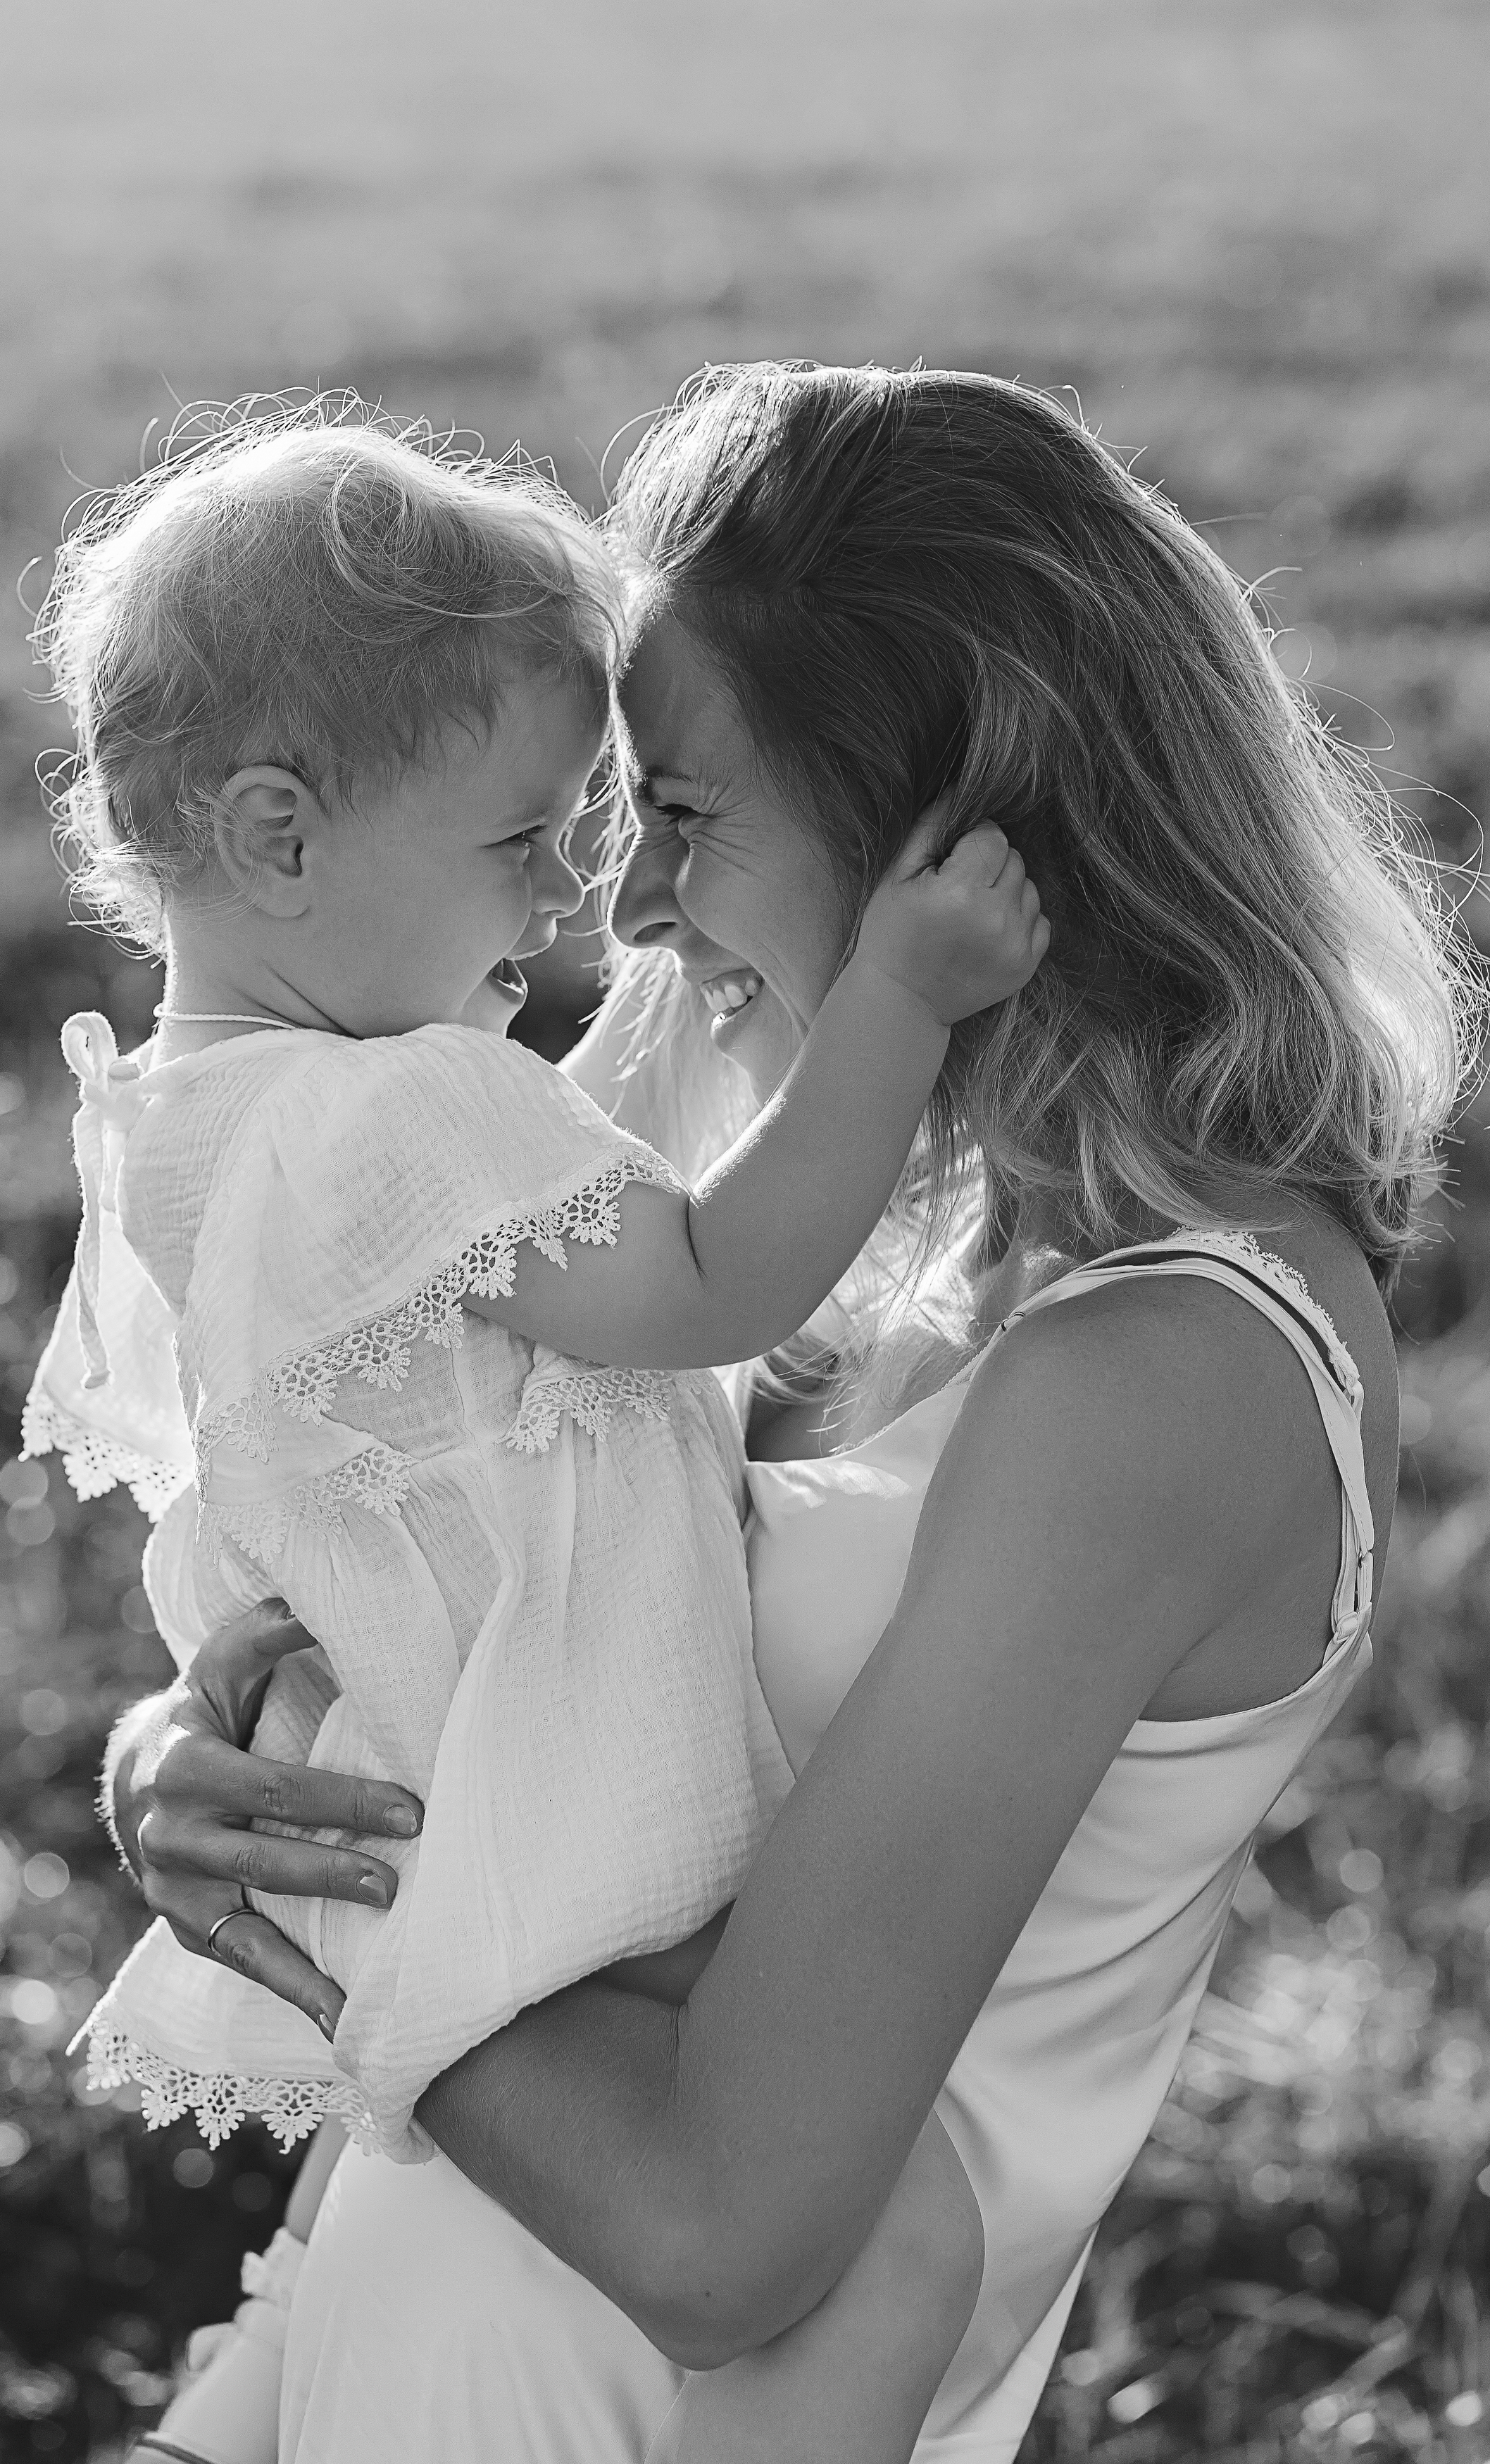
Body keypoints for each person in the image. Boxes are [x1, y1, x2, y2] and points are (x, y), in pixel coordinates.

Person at [106, 363, 1476, 2464]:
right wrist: (206, 1762)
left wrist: (302, 1897)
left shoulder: (1165, 1376)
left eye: (674, 814)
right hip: (429, 2313)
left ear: (957, 828)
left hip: (625, 2381)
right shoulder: (891, 1228)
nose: (627, 917)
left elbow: (720, 2227)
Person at [20, 398, 1046, 2464]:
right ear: (283, 837)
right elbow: (702, 1282)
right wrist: (898, 1003)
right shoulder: (403, 1111)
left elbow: (576, 1158)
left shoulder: (191, 1109)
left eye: (615, 822)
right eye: (527, 839)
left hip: (383, 1791)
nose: (587, 890)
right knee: (893, 2231)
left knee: (418, 2234)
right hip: (551, 1814)